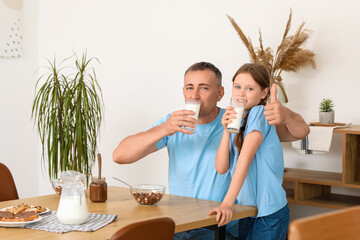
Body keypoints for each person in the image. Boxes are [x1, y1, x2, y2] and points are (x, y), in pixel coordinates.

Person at [113, 62, 309, 240]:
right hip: (179, 225)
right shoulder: (173, 123)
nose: (194, 95)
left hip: (218, 227)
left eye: (204, 88)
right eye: (190, 88)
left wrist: (286, 114)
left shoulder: (241, 118)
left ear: (220, 93)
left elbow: (298, 132)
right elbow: (119, 156)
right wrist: (164, 128)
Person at [208, 63, 290, 240]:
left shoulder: (260, 113)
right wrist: (226, 130)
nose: (241, 93)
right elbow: (221, 168)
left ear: (263, 93)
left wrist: (227, 204)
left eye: (249, 88)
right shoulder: (239, 118)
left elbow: (245, 158)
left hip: (269, 212)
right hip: (248, 210)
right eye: (237, 87)